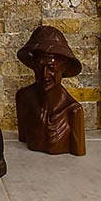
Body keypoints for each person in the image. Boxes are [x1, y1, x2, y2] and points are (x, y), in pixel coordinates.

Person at [15, 25, 86, 156]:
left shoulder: (73, 112)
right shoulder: (23, 98)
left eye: (52, 68)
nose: (45, 74)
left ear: (63, 67)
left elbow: (79, 152)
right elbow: (23, 137)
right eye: (39, 66)